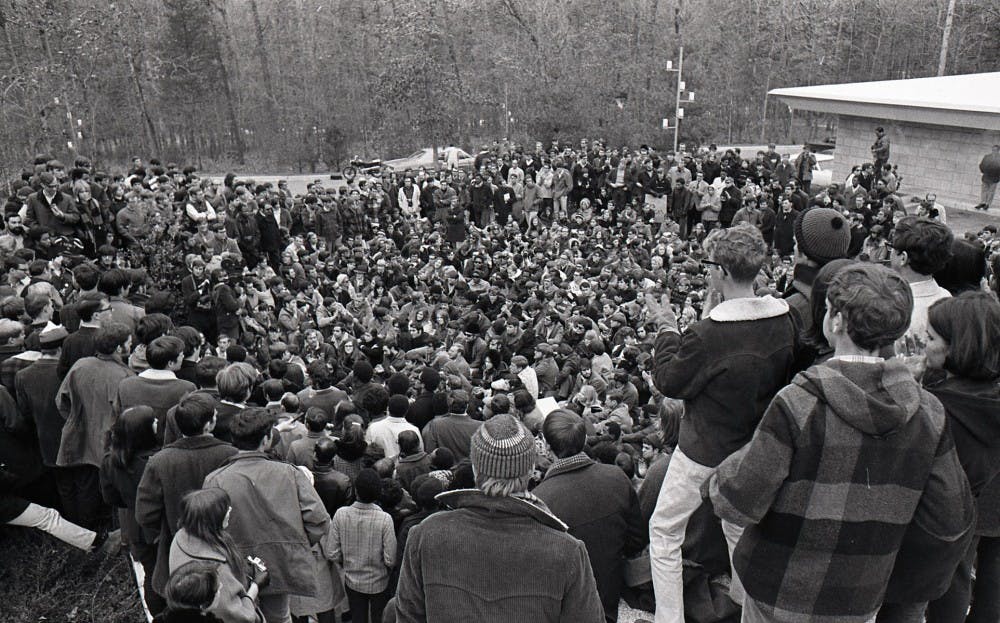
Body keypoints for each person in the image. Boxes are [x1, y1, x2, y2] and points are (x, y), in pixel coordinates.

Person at [706, 263, 973, 623]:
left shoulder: (798, 402)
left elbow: (738, 500)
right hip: (860, 598)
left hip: (779, 593)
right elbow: (950, 518)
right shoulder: (929, 412)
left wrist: (720, 474)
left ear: (836, 321)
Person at [648, 225, 798, 623]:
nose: (706, 272)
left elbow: (670, 382)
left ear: (724, 272)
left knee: (664, 531)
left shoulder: (708, 335)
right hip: (752, 446)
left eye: (710, 265)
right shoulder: (784, 321)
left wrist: (666, 327)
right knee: (737, 527)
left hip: (704, 449)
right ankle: (745, 609)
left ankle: (669, 619)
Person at [394, 414, 604, 622]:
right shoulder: (567, 551)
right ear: (531, 470)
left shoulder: (424, 534)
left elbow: (407, 616)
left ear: (476, 469)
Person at [203, 407, 331, 623]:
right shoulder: (289, 473)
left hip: (234, 567)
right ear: (266, 439)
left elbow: (208, 528)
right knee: (279, 616)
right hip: (280, 563)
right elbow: (318, 520)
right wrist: (292, 544)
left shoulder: (215, 480)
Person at [533, 409, 647, 623]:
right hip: (609, 595)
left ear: (548, 447)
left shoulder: (540, 500)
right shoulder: (617, 477)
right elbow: (637, 539)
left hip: (568, 606)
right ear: (584, 438)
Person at [136, 392, 239, 598]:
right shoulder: (230, 454)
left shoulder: (160, 460)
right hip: (227, 543)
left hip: (178, 547)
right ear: (210, 424)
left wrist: (169, 526)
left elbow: (145, 514)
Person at [100, 405, 165, 613]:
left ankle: (156, 614)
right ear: (144, 431)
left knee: (150, 573)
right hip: (162, 525)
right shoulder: (157, 460)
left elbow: (110, 497)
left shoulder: (110, 461)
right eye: (153, 420)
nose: (157, 422)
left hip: (136, 526)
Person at [167, 489, 265, 623]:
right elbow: (237, 616)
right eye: (225, 509)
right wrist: (256, 585)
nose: (230, 510)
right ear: (213, 518)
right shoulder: (216, 570)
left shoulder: (181, 537)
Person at [328, 468, 395, 623]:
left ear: (356, 491)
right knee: (379, 618)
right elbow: (391, 559)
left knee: (358, 618)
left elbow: (331, 552)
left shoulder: (341, 514)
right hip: (379, 582)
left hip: (352, 581)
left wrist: (347, 562)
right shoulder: (385, 519)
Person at [888, 217, 953, 357]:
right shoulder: (947, 297)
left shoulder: (896, 307)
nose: (890, 253)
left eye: (892, 248)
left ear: (903, 258)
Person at [976, 144, 1000, 211]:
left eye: (996, 150)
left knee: (991, 192)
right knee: (984, 190)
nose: (994, 151)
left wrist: (998, 176)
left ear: (998, 151)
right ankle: (983, 202)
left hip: (994, 178)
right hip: (986, 177)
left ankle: (988, 204)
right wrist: (984, 172)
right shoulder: (987, 157)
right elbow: (981, 165)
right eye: (993, 150)